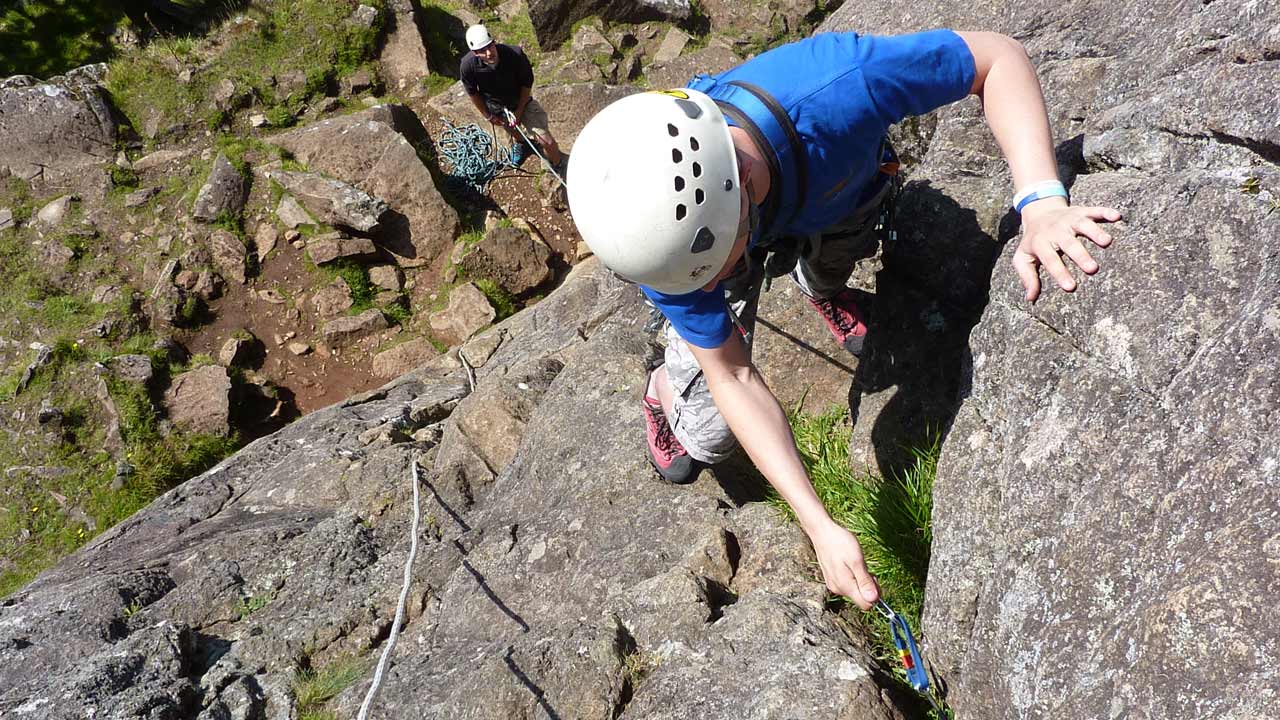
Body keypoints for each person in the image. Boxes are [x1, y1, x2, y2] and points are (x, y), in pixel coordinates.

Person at [566, 30, 1122, 610]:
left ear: (741, 195)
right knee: (706, 436)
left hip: (836, 187)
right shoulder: (665, 239)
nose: (697, 292)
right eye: (690, 281)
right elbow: (730, 376)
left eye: (702, 276)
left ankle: (820, 285)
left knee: (840, 245)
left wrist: (1040, 202)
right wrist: (819, 525)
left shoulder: (838, 86)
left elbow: (996, 59)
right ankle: (663, 389)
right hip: (768, 215)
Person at [459, 24, 563, 170]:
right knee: (512, 129)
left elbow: (527, 83)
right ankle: (522, 144)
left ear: (494, 42)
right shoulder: (468, 66)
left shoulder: (514, 54)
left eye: (490, 46)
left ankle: (559, 165)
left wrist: (520, 110)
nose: (489, 53)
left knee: (547, 141)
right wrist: (488, 115)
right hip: (498, 107)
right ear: (475, 53)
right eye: (482, 51)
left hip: (522, 100)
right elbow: (472, 93)